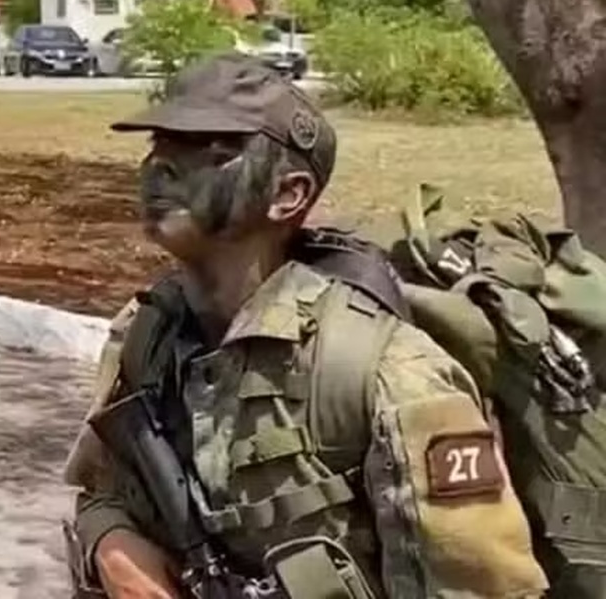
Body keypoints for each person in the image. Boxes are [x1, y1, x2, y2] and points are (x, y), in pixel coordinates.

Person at [62, 53, 548, 599]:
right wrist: (114, 548)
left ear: (287, 195)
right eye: (158, 148)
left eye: (211, 153)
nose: (159, 168)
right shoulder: (147, 332)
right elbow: (99, 490)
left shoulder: (387, 372)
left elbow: (482, 588)